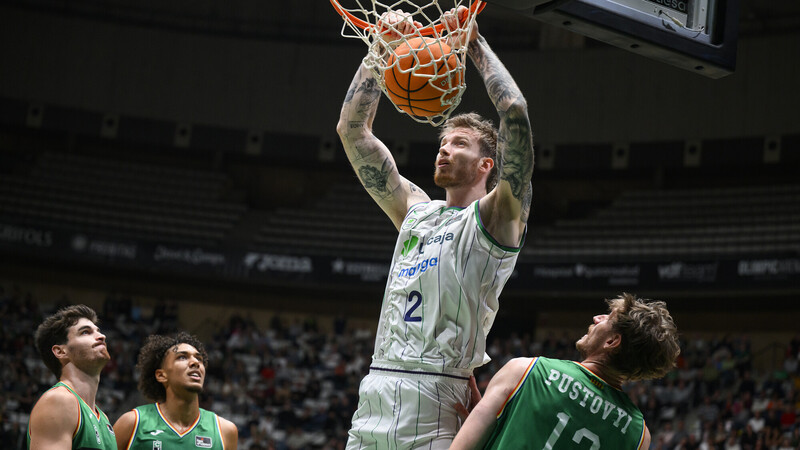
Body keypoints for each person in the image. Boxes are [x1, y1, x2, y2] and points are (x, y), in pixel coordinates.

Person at [336, 6, 533, 449]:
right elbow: (352, 130)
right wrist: (380, 51)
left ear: (487, 164)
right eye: (442, 143)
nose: (444, 151)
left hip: (440, 393)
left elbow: (515, 112)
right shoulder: (415, 210)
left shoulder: (497, 218)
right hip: (378, 385)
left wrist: (474, 44)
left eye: (458, 144)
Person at [451, 293, 681, 449]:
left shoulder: (526, 371)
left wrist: (486, 425)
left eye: (607, 318)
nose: (596, 318)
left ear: (612, 341)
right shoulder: (639, 436)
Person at [113, 332, 238, 450]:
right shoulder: (133, 423)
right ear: (161, 375)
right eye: (182, 357)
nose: (195, 362)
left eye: (199, 359)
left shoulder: (225, 431)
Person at [27, 304, 117, 449]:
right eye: (86, 332)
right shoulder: (58, 401)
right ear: (61, 351)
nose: (102, 336)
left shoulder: (104, 419)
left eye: (98, 331)